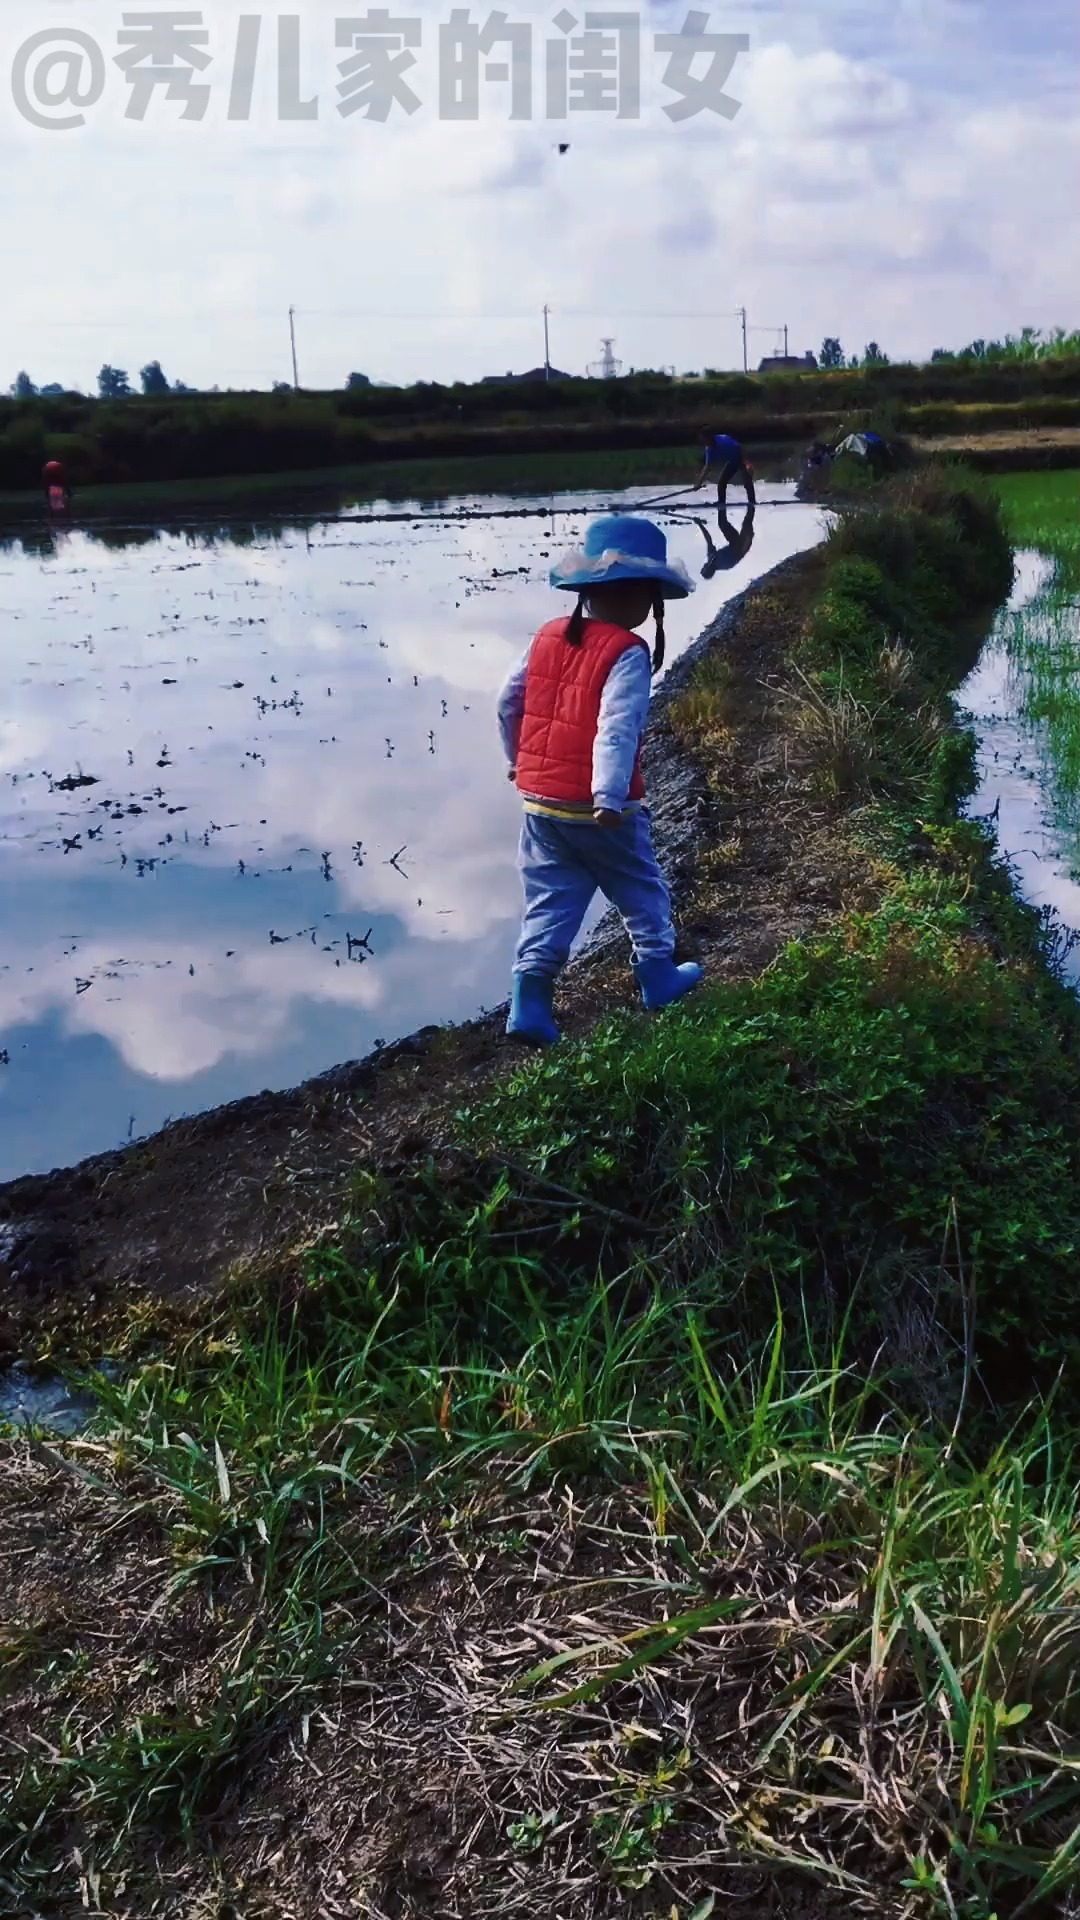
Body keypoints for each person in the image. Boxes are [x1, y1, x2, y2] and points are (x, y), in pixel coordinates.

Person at [497, 514, 703, 1046]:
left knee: (551, 899)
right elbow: (617, 728)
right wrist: (608, 795)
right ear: (644, 598)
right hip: (600, 808)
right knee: (641, 890)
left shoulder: (545, 637)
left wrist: (516, 761)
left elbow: (507, 703)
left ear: (586, 589)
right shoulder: (627, 652)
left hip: (539, 803)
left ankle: (530, 1003)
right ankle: (658, 977)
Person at [694, 495, 756, 578]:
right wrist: (748, 540)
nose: (704, 565)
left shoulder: (711, 558)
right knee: (747, 523)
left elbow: (708, 539)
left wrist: (700, 524)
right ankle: (751, 503)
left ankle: (722, 505)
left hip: (734, 542)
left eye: (703, 567)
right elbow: (741, 554)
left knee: (722, 524)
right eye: (704, 567)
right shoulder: (725, 565)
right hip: (741, 545)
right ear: (709, 569)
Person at [695, 432, 756, 514]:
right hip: (731, 463)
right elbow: (707, 467)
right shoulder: (709, 449)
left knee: (747, 480)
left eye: (704, 440)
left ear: (709, 438)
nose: (703, 442)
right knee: (721, 483)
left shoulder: (724, 440)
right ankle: (721, 502)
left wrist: (746, 462)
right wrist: (699, 484)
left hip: (740, 458)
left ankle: (752, 501)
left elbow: (740, 447)